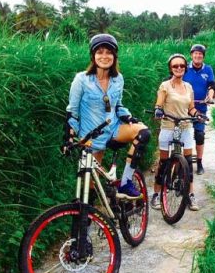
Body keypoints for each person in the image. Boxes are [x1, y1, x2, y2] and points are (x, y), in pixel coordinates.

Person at [62, 34, 151, 198]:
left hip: (114, 128)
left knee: (143, 133)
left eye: (109, 52)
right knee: (88, 191)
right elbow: (72, 112)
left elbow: (118, 105)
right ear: (93, 55)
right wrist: (69, 136)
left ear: (114, 56)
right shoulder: (81, 80)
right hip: (91, 137)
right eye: (100, 52)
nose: (104, 56)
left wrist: (128, 116)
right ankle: (86, 220)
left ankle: (125, 182)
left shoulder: (118, 79)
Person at [150, 53, 204, 211]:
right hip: (168, 126)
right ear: (170, 68)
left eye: (182, 65)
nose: (179, 68)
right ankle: (157, 194)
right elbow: (159, 104)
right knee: (164, 162)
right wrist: (158, 111)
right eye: (175, 66)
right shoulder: (165, 86)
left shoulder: (188, 87)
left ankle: (190, 195)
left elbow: (191, 108)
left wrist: (197, 115)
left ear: (185, 68)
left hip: (185, 127)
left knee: (187, 162)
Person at [183, 44, 215, 175]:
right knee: (182, 135)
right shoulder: (184, 68)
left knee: (199, 135)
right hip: (184, 108)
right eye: (195, 54)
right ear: (191, 55)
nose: (198, 56)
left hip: (200, 108)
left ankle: (200, 163)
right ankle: (183, 163)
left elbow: (211, 85)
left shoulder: (208, 69)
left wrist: (209, 97)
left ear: (203, 56)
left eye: (200, 54)